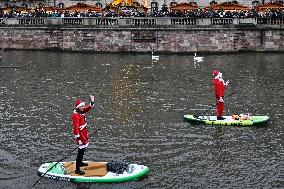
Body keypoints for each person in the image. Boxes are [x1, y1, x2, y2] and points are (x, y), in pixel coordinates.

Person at [72, 95, 95, 175]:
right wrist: (78, 139)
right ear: (78, 107)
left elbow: (87, 108)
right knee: (80, 152)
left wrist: (92, 101)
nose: (83, 108)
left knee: (83, 150)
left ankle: (80, 162)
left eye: (83, 107)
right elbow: (75, 129)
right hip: (80, 136)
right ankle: (77, 169)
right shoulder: (76, 115)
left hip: (84, 134)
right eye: (81, 107)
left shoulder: (80, 111)